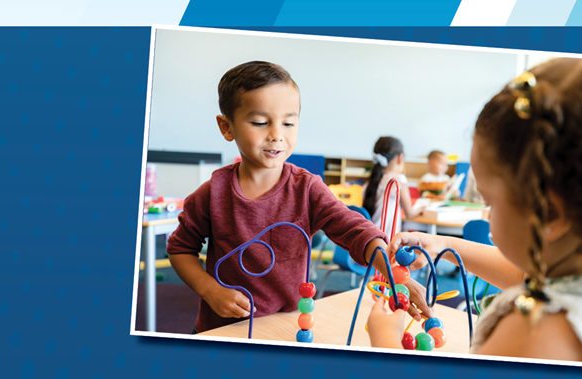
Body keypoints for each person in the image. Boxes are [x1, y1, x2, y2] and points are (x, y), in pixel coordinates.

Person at [366, 58, 582, 363]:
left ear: (549, 214)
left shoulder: (534, 333)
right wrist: (444, 243)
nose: (487, 215)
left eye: (490, 203)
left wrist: (385, 341)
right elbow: (525, 275)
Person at [167, 61, 432, 334]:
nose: (276, 135)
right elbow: (179, 248)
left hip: (288, 325)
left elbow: (354, 229)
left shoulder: (307, 188)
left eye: (288, 123)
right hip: (223, 328)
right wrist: (210, 290)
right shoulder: (213, 193)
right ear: (227, 127)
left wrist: (392, 272)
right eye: (259, 122)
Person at [362, 136, 424, 235]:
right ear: (400, 158)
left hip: (369, 240)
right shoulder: (398, 180)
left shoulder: (369, 183)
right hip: (388, 243)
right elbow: (410, 214)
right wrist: (423, 209)